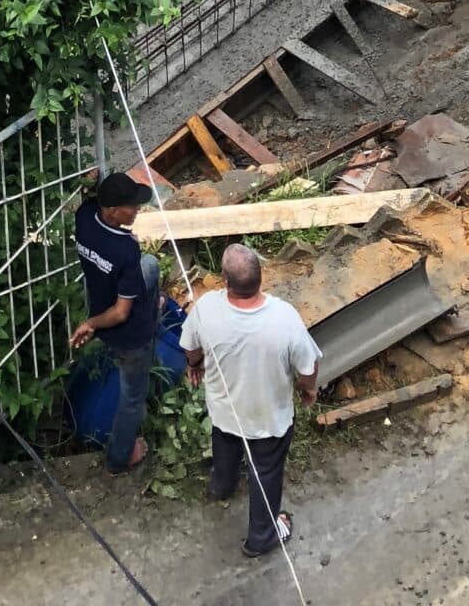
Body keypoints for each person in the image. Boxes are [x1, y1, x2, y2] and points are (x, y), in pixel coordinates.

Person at [181, 242, 321, 560]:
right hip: (268, 419)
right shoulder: (285, 318)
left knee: (226, 445)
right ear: (262, 277)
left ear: (226, 281)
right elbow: (308, 367)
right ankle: (262, 535)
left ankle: (222, 486)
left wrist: (194, 366)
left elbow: (190, 348)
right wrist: (308, 389)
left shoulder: (205, 309)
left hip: (225, 410)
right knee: (266, 471)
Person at [70, 171, 159, 476]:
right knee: (133, 398)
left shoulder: (84, 216)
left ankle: (152, 307)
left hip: (101, 301)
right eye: (130, 206)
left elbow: (91, 196)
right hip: (127, 332)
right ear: (111, 210)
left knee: (152, 266)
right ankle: (120, 459)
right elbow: (121, 313)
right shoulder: (125, 251)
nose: (136, 210)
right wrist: (91, 324)